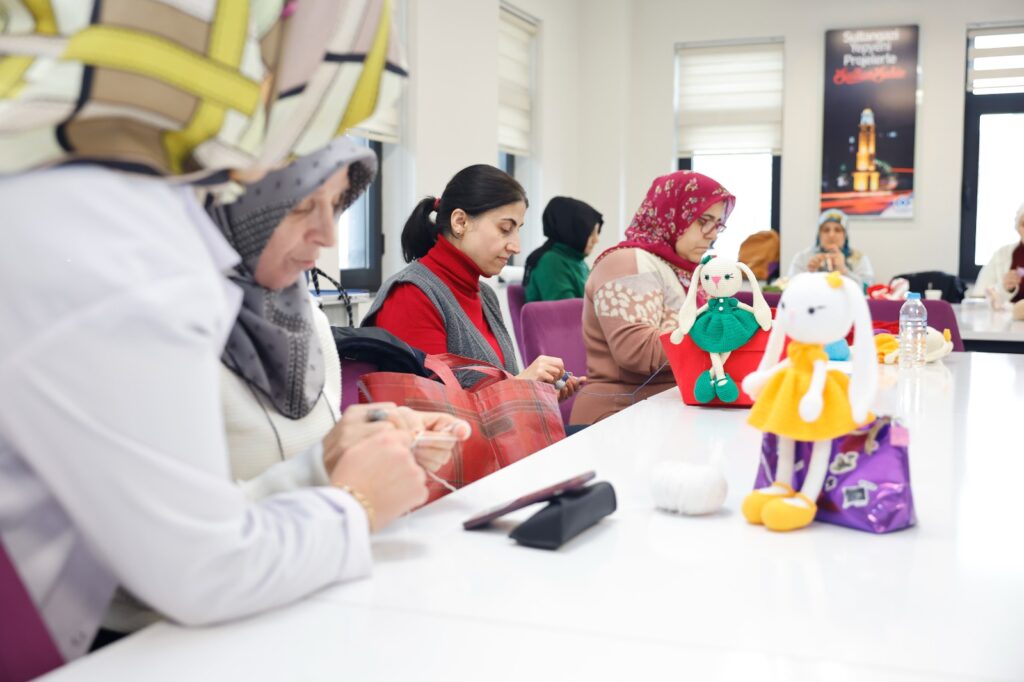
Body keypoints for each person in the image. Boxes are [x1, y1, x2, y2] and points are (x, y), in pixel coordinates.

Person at [0, 1, 437, 663]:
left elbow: (187, 521)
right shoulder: (122, 238)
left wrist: (324, 464)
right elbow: (200, 568)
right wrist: (357, 503)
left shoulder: (76, 192)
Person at [364, 164, 583, 399]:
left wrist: (537, 396)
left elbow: (497, 390)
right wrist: (521, 387)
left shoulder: (485, 294)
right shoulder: (410, 296)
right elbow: (429, 410)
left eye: (517, 230)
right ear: (460, 222)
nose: (516, 246)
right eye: (505, 229)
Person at [571, 170, 735, 424]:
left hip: (666, 409)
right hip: (620, 415)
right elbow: (637, 352)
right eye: (703, 220)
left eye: (717, 224)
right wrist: (726, 336)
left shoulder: (682, 270)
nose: (712, 234)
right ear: (670, 213)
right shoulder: (626, 261)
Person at [523, 196, 603, 302]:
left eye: (597, 233)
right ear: (573, 231)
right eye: (591, 233)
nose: (596, 240)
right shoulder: (551, 261)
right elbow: (566, 310)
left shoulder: (576, 260)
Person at [788, 209, 874, 287]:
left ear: (845, 235)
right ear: (819, 235)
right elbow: (789, 287)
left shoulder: (858, 258)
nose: (831, 235)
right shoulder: (803, 257)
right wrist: (809, 274)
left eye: (837, 230)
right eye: (826, 230)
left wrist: (844, 271)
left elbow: (868, 288)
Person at [970, 202, 1024, 304]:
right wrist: (1003, 288)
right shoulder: (1001, 255)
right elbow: (979, 296)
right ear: (1017, 227)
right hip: (1007, 314)